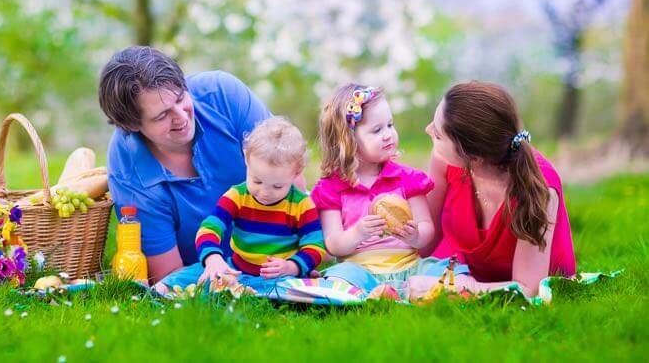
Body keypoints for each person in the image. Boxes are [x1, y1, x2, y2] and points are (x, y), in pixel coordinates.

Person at [98, 46, 273, 282]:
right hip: (202, 272)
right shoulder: (128, 171)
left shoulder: (222, 95)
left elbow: (289, 173)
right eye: (162, 116)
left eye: (181, 98)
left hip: (278, 255)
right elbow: (169, 276)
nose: (181, 116)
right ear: (131, 125)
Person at [410, 81, 576, 299]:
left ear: (474, 158)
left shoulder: (538, 188)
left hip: (512, 281)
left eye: (438, 134)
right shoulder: (444, 160)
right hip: (464, 269)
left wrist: (452, 287)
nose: (428, 130)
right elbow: (425, 242)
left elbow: (528, 290)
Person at [311, 84, 466, 295]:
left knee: (451, 269)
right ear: (347, 142)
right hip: (360, 270)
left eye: (390, 125)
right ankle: (381, 293)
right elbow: (334, 244)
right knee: (339, 275)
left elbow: (427, 228)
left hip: (409, 266)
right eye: (377, 130)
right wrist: (359, 233)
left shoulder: (407, 179)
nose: (388, 135)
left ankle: (410, 291)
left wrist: (414, 237)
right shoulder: (332, 188)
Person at [155, 117, 326, 294]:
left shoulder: (301, 205)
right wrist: (213, 258)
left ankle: (262, 292)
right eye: (257, 181)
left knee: (290, 288)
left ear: (296, 172)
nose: (265, 192)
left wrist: (291, 267)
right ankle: (159, 290)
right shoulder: (236, 196)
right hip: (235, 270)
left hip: (278, 278)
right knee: (190, 274)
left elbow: (315, 246)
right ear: (246, 158)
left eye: (277, 186)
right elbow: (208, 229)